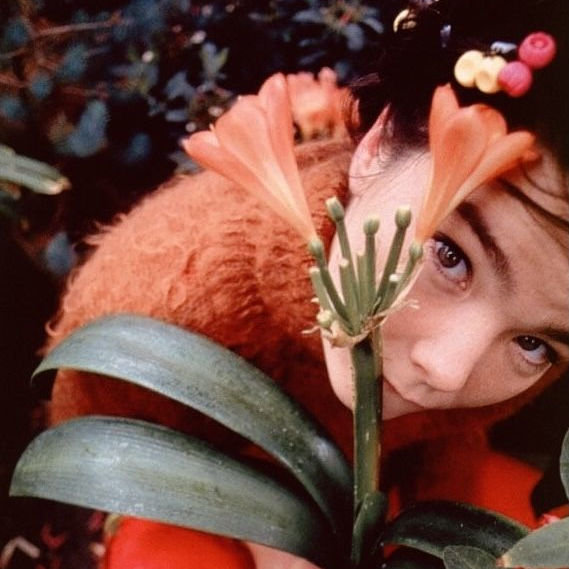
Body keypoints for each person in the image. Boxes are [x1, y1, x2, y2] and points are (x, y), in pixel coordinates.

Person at [43, 0, 568, 567]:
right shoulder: (173, 295)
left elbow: (443, 440)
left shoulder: (501, 343)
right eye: (450, 255)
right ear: (377, 145)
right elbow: (92, 437)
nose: (447, 372)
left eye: (534, 343)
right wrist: (269, 522)